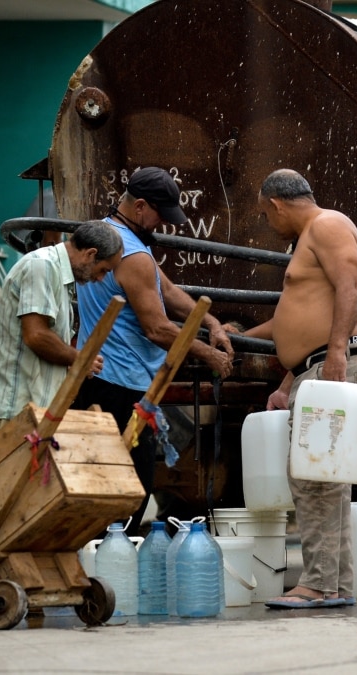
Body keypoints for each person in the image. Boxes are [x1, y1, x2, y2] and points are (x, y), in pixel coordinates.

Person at [73, 166, 234, 536]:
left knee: (108, 482)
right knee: (130, 489)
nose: (163, 223)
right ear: (140, 206)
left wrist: (209, 322)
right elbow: (158, 327)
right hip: (121, 386)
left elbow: (167, 291)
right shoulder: (132, 255)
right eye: (160, 214)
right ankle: (109, 569)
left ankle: (103, 561)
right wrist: (207, 355)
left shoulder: (117, 237)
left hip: (101, 378)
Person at [249, 168, 357, 609]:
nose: (269, 223)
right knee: (328, 479)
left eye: (266, 214)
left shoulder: (326, 225)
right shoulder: (317, 233)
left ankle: (318, 583)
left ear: (277, 204)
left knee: (312, 475)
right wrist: (284, 368)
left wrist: (337, 350)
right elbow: (303, 314)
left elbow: (351, 286)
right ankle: (334, 583)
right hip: (317, 365)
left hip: (331, 364)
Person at [0, 220, 123, 437]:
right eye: (103, 270)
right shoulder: (42, 266)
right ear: (90, 254)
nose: (99, 279)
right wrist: (79, 359)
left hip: (35, 412)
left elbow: (43, 342)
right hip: (16, 411)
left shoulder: (58, 275)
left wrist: (70, 363)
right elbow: (36, 336)